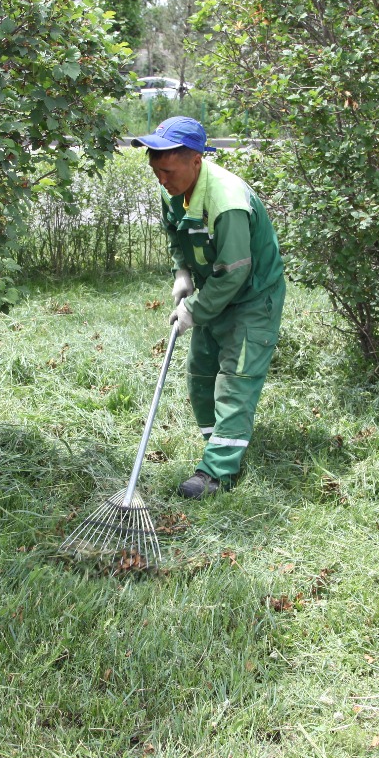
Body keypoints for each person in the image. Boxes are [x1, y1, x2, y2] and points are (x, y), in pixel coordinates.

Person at [130, 116, 286, 499]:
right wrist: (182, 270)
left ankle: (217, 473)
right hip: (214, 290)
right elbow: (176, 233)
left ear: (195, 161)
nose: (161, 180)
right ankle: (222, 445)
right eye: (155, 172)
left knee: (236, 380)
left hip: (252, 297)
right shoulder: (173, 188)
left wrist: (194, 310)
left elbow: (235, 272)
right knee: (201, 374)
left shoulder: (227, 201)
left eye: (167, 171)